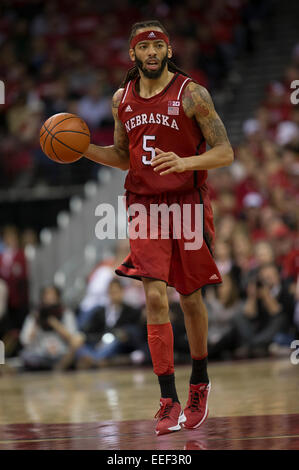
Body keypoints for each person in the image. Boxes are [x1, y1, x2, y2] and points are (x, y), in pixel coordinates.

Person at [83, 20, 233, 436]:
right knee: (153, 296)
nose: (152, 51)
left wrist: (186, 162)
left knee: (189, 299)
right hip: (143, 205)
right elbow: (121, 155)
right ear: (132, 54)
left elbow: (225, 152)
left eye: (159, 44)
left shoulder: (192, 94)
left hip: (186, 202)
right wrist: (83, 150)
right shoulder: (122, 100)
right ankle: (168, 399)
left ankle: (199, 381)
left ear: (168, 50)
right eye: (143, 46)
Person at [19, 285, 84, 371]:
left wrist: (55, 324)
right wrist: (36, 323)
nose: (50, 300)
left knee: (79, 345)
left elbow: (74, 339)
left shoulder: (66, 314)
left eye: (53, 297)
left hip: (61, 354)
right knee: (25, 356)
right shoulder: (34, 316)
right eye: (47, 297)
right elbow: (24, 340)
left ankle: (60, 367)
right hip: (40, 355)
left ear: (58, 298)